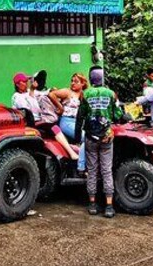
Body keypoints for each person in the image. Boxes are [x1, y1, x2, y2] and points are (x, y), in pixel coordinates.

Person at [75, 66, 122, 218]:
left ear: (91, 78)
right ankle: (109, 206)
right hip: (106, 137)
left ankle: (93, 204)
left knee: (93, 170)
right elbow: (117, 115)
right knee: (107, 170)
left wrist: (77, 137)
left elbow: (80, 116)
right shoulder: (110, 94)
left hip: (90, 137)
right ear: (103, 78)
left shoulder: (85, 94)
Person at [30, 70, 78, 161]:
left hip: (55, 119)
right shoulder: (32, 93)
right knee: (55, 128)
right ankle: (71, 153)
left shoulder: (49, 91)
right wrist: (33, 89)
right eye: (38, 80)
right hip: (43, 121)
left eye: (42, 79)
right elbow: (32, 101)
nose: (41, 82)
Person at [50, 73, 89, 173]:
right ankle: (81, 167)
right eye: (72, 81)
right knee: (88, 138)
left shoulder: (83, 95)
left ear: (83, 84)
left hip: (78, 123)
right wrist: (60, 107)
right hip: (67, 121)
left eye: (76, 81)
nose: (72, 83)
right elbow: (51, 94)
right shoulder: (67, 92)